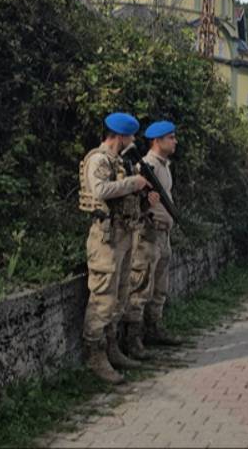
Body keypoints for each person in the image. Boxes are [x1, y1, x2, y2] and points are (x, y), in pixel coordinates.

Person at [78, 112, 150, 384]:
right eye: (130, 136)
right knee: (103, 297)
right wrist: (134, 183)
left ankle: (111, 348)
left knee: (120, 295)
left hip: (124, 234)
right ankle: (94, 355)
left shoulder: (120, 161)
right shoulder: (98, 159)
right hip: (106, 239)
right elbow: (100, 191)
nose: (132, 140)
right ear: (119, 136)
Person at [127, 120, 185, 350]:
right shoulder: (147, 166)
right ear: (157, 141)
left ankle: (154, 328)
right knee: (141, 286)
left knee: (160, 286)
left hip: (164, 234)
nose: (175, 141)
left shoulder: (164, 165)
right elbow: (137, 200)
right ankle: (133, 338)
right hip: (148, 233)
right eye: (170, 137)